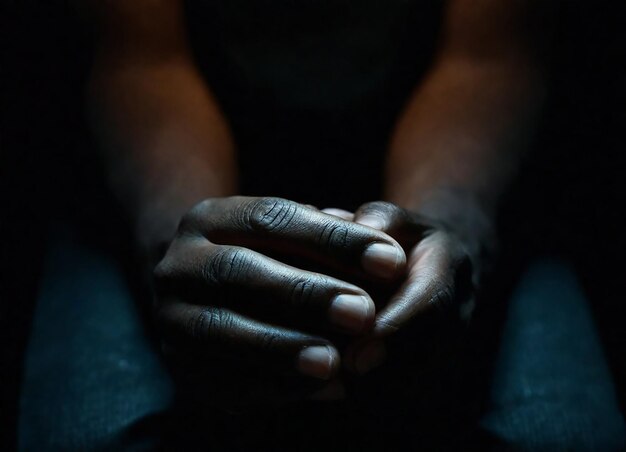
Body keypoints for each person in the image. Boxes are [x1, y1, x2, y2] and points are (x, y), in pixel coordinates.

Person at [18, 0, 626, 450]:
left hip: (462, 149)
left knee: (558, 438)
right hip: (165, 155)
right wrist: (182, 253)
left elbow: (486, 54)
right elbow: (144, 58)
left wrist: (449, 230)